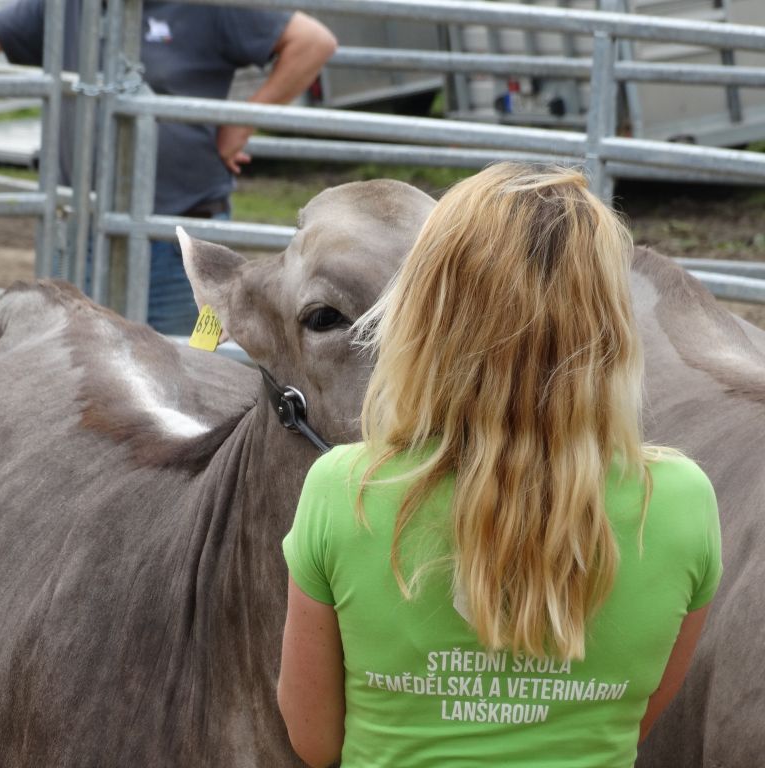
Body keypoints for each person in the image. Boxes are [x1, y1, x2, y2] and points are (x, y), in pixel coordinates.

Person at [277, 163, 722, 767]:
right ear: (610, 326)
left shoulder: (343, 489)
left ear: (425, 314)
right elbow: (631, 720)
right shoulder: (678, 503)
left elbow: (314, 739)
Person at [0, 0, 336, 334]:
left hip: (177, 239)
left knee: (182, 366)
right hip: (82, 232)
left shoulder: (208, 6)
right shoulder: (70, 6)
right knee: (80, 369)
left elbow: (312, 41)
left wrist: (241, 122)